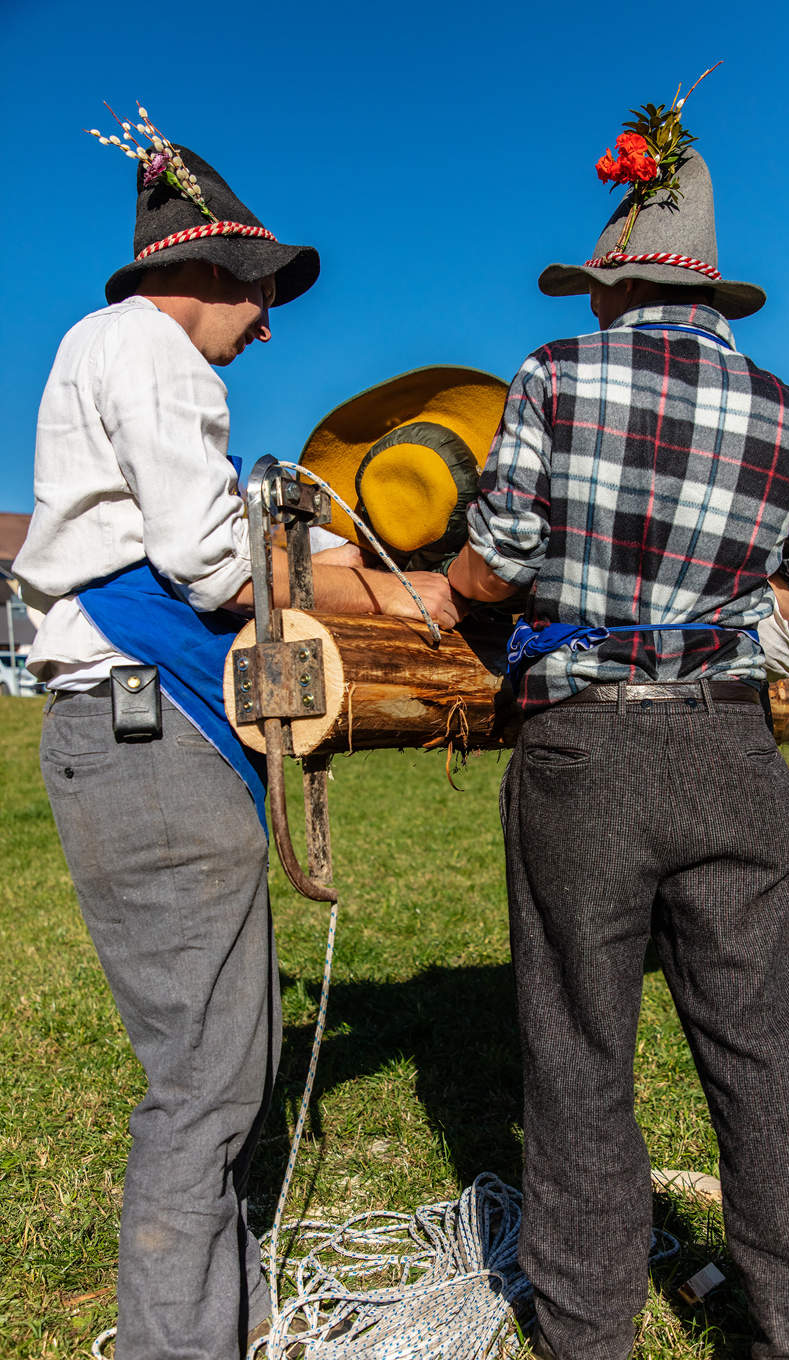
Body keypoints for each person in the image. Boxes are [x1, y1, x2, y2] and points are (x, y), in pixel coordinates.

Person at [11, 126, 460, 1360]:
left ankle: (230, 1314)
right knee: (207, 1081)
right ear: (211, 275)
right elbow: (210, 562)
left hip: (126, 735)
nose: (266, 323)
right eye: (262, 291)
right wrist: (349, 574)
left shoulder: (103, 348)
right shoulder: (154, 347)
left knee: (224, 1055)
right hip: (142, 733)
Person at [440, 134, 789, 1359]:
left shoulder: (555, 376)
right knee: (759, 1061)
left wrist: (446, 595)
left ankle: (588, 1339)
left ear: (618, 281)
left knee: (578, 1054)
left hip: (585, 757)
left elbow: (501, 557)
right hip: (734, 754)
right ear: (706, 291)